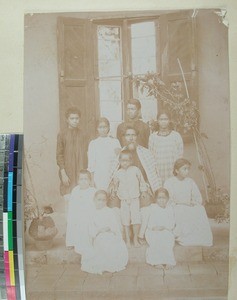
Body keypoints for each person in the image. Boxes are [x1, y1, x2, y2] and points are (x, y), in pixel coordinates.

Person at [164, 158, 213, 246]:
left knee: (200, 209)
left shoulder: (190, 182)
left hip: (189, 205)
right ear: (176, 170)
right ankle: (185, 238)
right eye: (184, 169)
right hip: (176, 206)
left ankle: (201, 238)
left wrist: (193, 203)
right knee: (182, 210)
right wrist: (183, 203)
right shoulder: (169, 182)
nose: (187, 171)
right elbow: (168, 199)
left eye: (188, 169)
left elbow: (197, 198)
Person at [81, 190, 128, 275]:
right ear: (94, 200)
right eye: (99, 200)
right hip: (98, 235)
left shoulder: (109, 211)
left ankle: (110, 262)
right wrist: (98, 231)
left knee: (111, 241)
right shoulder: (92, 213)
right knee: (102, 241)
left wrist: (109, 228)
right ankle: (104, 262)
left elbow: (114, 226)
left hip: (109, 233)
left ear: (106, 201)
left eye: (103, 200)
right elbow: (91, 228)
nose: (101, 202)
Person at [111, 150, 147, 247]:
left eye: (127, 160)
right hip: (124, 200)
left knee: (136, 218)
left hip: (135, 198)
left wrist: (143, 191)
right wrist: (114, 192)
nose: (125, 163)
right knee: (125, 219)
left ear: (131, 161)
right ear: (119, 161)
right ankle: (127, 240)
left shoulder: (135, 170)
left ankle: (135, 239)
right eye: (123, 160)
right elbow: (115, 185)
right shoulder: (118, 173)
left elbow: (142, 182)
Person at [56, 107, 87, 199]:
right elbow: (59, 155)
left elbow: (87, 153)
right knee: (68, 198)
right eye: (72, 118)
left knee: (81, 197)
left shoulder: (83, 134)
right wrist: (63, 173)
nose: (75, 121)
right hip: (68, 171)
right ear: (67, 120)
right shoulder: (62, 134)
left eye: (77, 118)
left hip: (80, 169)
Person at [144, 188, 176, 269]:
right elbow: (150, 223)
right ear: (155, 199)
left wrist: (164, 227)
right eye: (159, 198)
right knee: (157, 239)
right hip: (153, 231)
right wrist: (155, 227)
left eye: (164, 198)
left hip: (166, 230)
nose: (161, 200)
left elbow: (172, 223)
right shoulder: (152, 208)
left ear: (167, 199)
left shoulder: (170, 209)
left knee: (167, 238)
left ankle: (168, 261)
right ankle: (157, 261)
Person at [66, 170, 96, 254]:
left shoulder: (93, 191)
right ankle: (71, 242)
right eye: (81, 179)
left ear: (90, 181)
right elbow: (72, 205)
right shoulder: (75, 190)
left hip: (89, 214)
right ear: (78, 181)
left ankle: (88, 241)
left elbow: (95, 205)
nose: (83, 181)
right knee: (73, 222)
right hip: (77, 213)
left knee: (88, 224)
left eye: (86, 179)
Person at [149, 111, 183, 184]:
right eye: (161, 119)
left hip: (172, 171)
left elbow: (180, 156)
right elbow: (151, 156)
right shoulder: (153, 137)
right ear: (157, 121)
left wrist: (178, 171)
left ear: (169, 120)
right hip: (159, 171)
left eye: (166, 119)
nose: (163, 122)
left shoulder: (176, 136)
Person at [87, 117, 121, 190]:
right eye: (100, 127)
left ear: (108, 127)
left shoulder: (115, 142)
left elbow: (118, 160)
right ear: (97, 128)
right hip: (98, 175)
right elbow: (91, 163)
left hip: (112, 174)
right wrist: (92, 179)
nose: (102, 129)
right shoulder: (93, 143)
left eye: (105, 127)